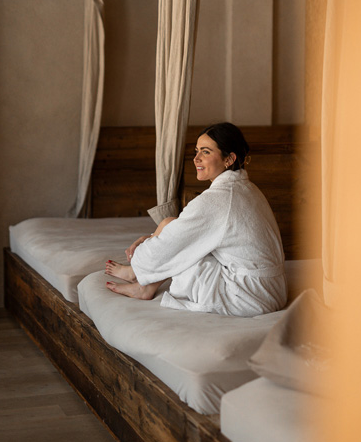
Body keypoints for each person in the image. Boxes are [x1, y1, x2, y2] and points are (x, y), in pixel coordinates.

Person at [105, 122, 287, 316]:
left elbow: (170, 246)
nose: (196, 158)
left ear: (229, 159)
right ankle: (143, 284)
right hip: (273, 289)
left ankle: (138, 278)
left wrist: (142, 253)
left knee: (179, 246)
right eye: (196, 151)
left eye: (206, 152)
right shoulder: (246, 187)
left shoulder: (217, 200)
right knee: (170, 224)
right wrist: (151, 238)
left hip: (248, 297)